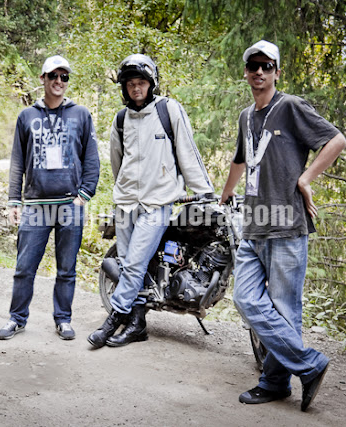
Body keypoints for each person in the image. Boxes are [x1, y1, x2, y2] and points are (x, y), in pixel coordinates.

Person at [219, 40, 346, 411]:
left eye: (266, 66)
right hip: (254, 224)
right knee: (245, 299)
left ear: (277, 71)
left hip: (287, 223)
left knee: (285, 309)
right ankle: (308, 364)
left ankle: (275, 382)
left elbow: (336, 140)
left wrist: (305, 180)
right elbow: (241, 160)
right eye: (253, 66)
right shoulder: (247, 116)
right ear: (245, 72)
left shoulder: (289, 106)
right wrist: (225, 195)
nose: (259, 72)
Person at [87, 54, 214, 348]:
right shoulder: (121, 120)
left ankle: (111, 322)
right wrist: (124, 190)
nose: (136, 88)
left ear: (151, 83)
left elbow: (187, 152)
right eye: (130, 84)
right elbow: (117, 163)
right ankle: (137, 325)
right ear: (124, 88)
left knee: (132, 265)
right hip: (127, 202)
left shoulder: (168, 110)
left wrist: (204, 190)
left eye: (141, 82)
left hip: (158, 203)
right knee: (134, 265)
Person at [0, 55, 100, 341]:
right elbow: (17, 161)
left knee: (66, 269)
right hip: (35, 206)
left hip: (71, 205)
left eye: (64, 76)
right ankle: (17, 319)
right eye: (53, 76)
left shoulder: (81, 115)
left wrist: (83, 195)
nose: (58, 81)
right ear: (42, 79)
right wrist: (13, 200)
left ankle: (63, 320)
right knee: (24, 268)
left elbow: (91, 159)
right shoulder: (26, 116)